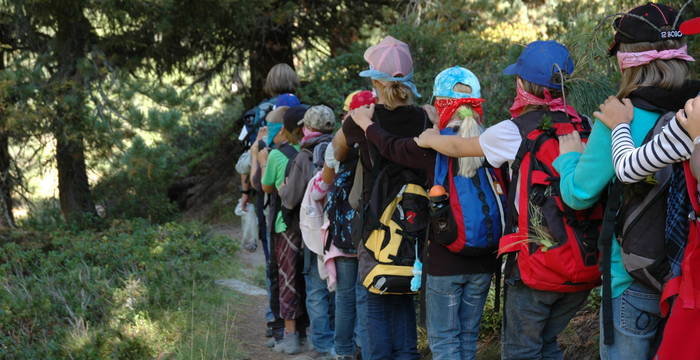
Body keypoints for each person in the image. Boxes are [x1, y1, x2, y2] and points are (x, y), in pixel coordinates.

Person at [410, 40, 595, 359]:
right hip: (584, 260)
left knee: (522, 350)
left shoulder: (514, 130)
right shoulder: (584, 124)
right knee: (548, 344)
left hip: (538, 264)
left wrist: (428, 137)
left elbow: (459, 148)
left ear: (522, 84)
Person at [553, 4, 700, 359]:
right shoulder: (692, 109)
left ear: (626, 59)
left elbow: (579, 194)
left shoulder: (621, 113)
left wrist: (569, 156)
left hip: (633, 279)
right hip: (686, 280)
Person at [335, 35, 428, 360]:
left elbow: (336, 151)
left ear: (376, 80)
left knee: (375, 296)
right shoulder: (424, 116)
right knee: (404, 295)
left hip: (376, 222)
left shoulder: (363, 119)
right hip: (416, 221)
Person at [238, 63, 300, 341]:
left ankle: (275, 318)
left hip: (267, 191)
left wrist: (246, 193)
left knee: (272, 258)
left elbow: (247, 160)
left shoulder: (260, 113)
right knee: (301, 259)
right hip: (301, 188)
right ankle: (302, 321)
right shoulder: (304, 108)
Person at [282, 105, 337, 359]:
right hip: (339, 231)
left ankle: (322, 344)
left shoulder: (303, 156)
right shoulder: (341, 149)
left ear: (307, 127)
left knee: (315, 288)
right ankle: (339, 341)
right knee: (337, 287)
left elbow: (291, 199)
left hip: (313, 234)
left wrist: (283, 188)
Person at [325, 91, 375, 360]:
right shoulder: (380, 142)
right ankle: (361, 349)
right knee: (365, 296)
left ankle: (343, 351)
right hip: (371, 232)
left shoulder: (340, 144)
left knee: (345, 297)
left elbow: (326, 180)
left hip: (345, 232)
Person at [260, 105, 306, 355]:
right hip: (311, 224)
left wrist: (263, 161)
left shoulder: (278, 155)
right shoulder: (312, 150)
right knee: (308, 279)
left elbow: (267, 187)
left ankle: (290, 334)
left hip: (285, 224)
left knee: (287, 278)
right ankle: (311, 332)